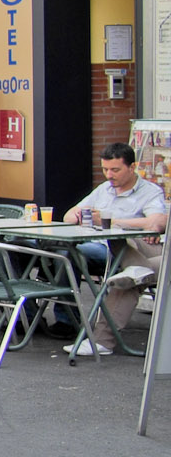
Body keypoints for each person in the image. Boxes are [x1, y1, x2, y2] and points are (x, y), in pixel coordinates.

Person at [61, 142, 168, 356]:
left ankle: (99, 340)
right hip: (108, 248)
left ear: (132, 167)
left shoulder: (149, 191)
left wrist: (112, 221)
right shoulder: (104, 189)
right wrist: (80, 216)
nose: (109, 175)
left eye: (115, 170)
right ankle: (68, 322)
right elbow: (69, 215)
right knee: (63, 253)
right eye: (105, 169)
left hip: (126, 248)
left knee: (122, 254)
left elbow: (157, 222)